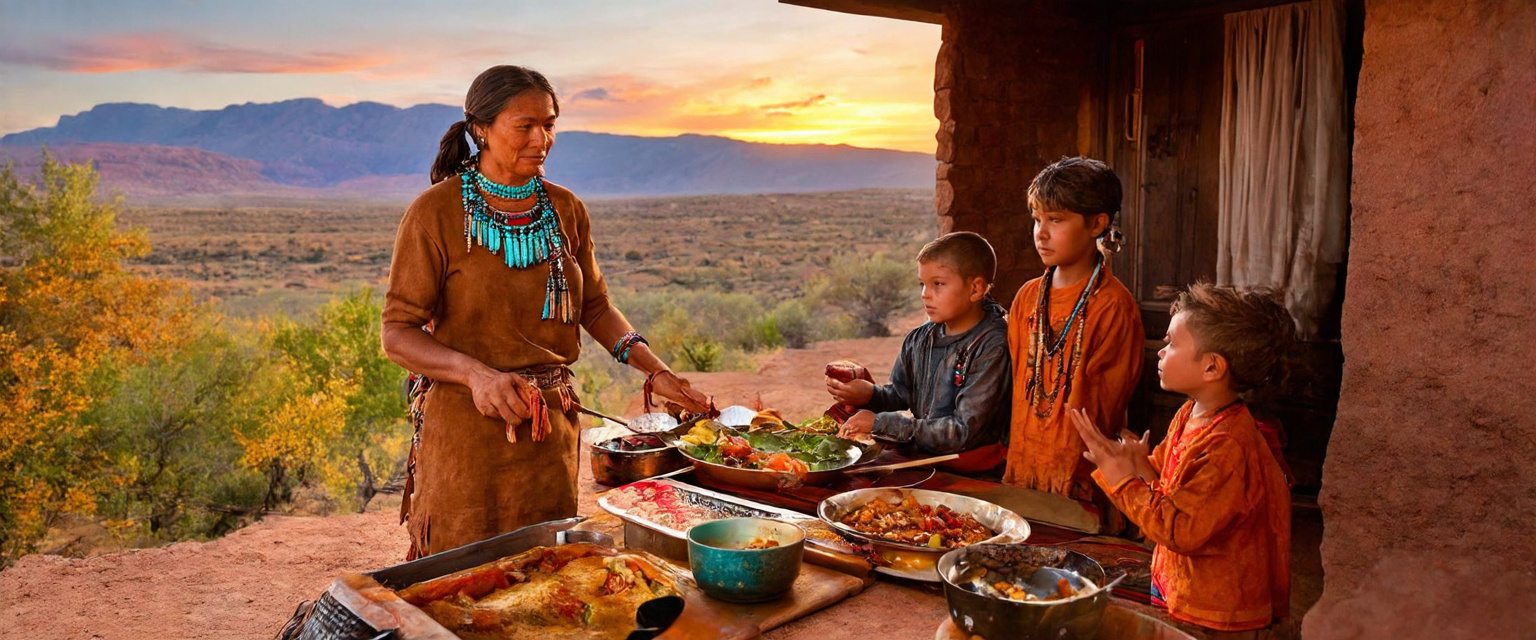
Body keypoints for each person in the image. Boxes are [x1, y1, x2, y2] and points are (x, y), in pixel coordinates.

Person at [381, 65, 710, 559]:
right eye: (525, 125)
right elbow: (397, 332)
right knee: (462, 584)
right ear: (481, 130)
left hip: (548, 431)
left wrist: (657, 373)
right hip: (466, 436)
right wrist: (477, 376)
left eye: (550, 124)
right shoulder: (435, 213)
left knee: (546, 575)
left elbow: (594, 307)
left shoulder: (566, 209)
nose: (542, 138)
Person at [1070, 283, 1294, 635]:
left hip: (1217, 606)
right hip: (1185, 587)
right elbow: (1166, 477)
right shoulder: (1192, 412)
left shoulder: (1228, 446)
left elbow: (1181, 530)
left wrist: (1124, 479)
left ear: (1211, 368)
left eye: (1172, 343)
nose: (1160, 351)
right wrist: (1137, 463)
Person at [1004, 157, 1144, 528]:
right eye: (1037, 219)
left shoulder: (1113, 306)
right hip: (1023, 470)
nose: (1041, 233)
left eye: (1057, 219)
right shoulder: (1027, 298)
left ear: (1097, 223)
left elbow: (1104, 404)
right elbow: (1022, 384)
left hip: (1077, 480)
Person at [826, 232, 1011, 470]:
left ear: (976, 289)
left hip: (972, 468)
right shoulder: (920, 338)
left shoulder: (992, 346)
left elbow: (964, 432)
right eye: (922, 284)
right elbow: (901, 394)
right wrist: (870, 395)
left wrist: (881, 423)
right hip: (923, 454)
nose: (925, 294)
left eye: (938, 284)